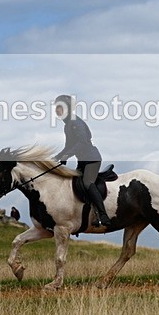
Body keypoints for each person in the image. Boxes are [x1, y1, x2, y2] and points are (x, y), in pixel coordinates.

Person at [52, 94, 111, 227]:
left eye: (59, 107)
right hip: (83, 160)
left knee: (87, 183)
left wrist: (66, 156)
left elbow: (82, 142)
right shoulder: (68, 125)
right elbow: (69, 146)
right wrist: (57, 157)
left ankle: (103, 215)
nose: (56, 110)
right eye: (56, 108)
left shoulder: (75, 122)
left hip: (91, 159)